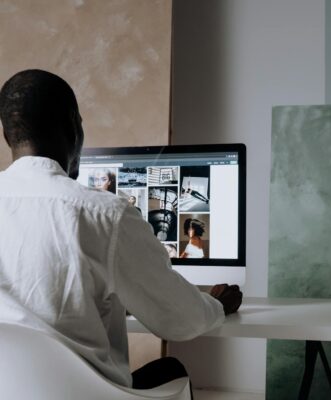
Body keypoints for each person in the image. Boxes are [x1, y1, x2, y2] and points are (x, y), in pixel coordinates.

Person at [0, 69, 242, 393]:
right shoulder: (104, 214)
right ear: (74, 126)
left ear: (7, 136)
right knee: (172, 368)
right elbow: (180, 321)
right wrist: (216, 306)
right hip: (88, 395)